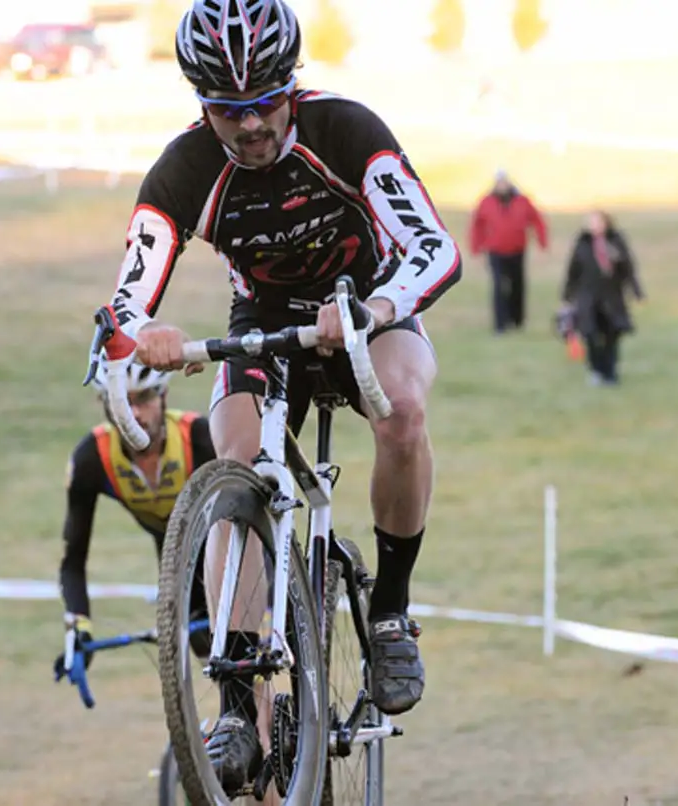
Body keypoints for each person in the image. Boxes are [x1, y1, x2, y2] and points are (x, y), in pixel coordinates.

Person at [100, 0, 462, 794]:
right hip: (264, 325)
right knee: (235, 462)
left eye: (266, 100)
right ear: (202, 102)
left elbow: (435, 248)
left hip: (366, 308)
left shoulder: (346, 130)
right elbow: (124, 298)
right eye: (230, 110)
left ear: (291, 85)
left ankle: (392, 615)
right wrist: (138, 333)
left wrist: (371, 310)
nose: (252, 124)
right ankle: (238, 700)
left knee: (401, 408)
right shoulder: (187, 167)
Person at [54, 357, 216, 681]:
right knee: (210, 651)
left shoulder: (200, 438)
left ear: (163, 397)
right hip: (176, 556)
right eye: (121, 402)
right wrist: (78, 627)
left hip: (229, 546)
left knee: (251, 647)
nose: (134, 415)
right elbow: (73, 559)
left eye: (143, 399)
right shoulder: (92, 458)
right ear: (104, 405)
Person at [560, 210, 644, 386]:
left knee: (612, 334)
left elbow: (628, 268)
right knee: (590, 334)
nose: (594, 226)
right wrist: (567, 294)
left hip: (612, 297)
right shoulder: (582, 243)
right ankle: (596, 370)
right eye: (591, 222)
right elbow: (573, 269)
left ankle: (611, 372)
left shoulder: (616, 241)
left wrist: (636, 290)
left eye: (598, 222)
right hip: (588, 297)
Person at [468, 168, 548, 334]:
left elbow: (537, 220)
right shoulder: (486, 202)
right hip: (496, 251)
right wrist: (476, 248)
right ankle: (500, 324)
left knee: (517, 285)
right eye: (499, 183)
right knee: (498, 286)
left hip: (517, 250)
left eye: (504, 182)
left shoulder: (522, 200)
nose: (502, 186)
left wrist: (542, 243)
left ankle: (517, 320)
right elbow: (477, 225)